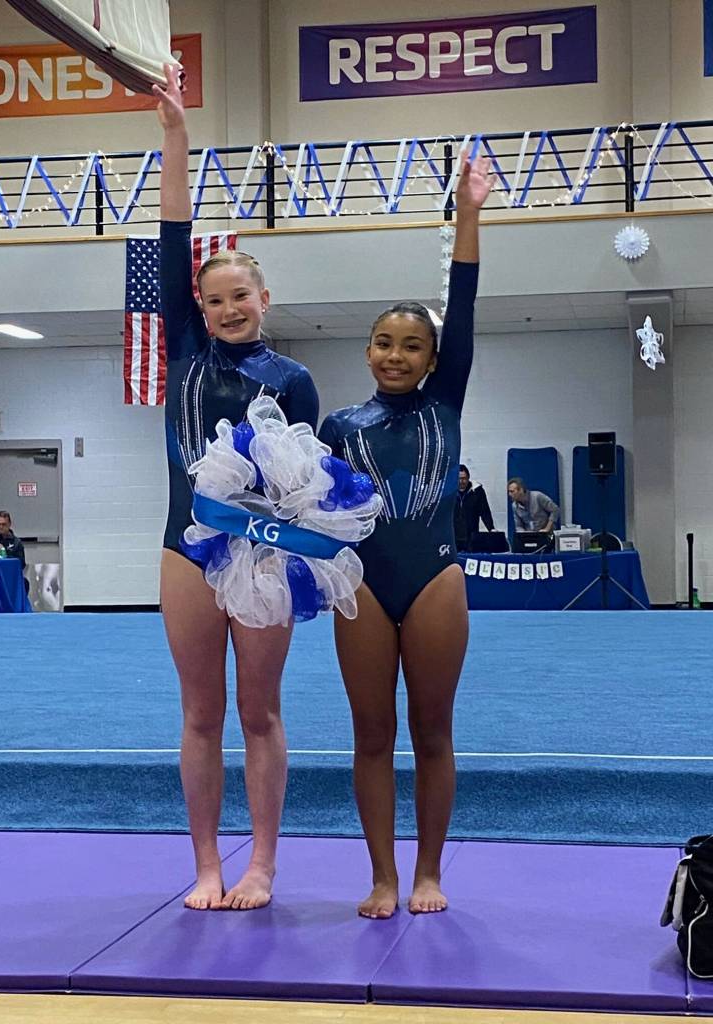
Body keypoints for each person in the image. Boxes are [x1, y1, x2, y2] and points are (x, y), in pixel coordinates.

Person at [153, 65, 319, 912]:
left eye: (239, 297)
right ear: (198, 305)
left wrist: (276, 541)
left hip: (263, 558)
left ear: (264, 298)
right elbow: (173, 223)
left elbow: (307, 490)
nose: (226, 309)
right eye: (213, 298)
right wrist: (176, 133)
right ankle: (207, 866)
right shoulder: (182, 348)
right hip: (186, 552)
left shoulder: (292, 378)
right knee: (200, 716)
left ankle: (261, 866)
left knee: (259, 712)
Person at [319, 155, 493, 918]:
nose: (397, 355)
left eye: (412, 346)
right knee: (370, 734)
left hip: (434, 580)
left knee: (432, 730)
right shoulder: (336, 426)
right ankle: (382, 877)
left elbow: (465, 300)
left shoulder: (445, 401)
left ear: (432, 358)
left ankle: (428, 874)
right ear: (367, 350)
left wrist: (468, 214)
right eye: (384, 342)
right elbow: (317, 515)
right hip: (359, 582)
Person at [453, 464, 495, 551]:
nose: (461, 481)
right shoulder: (450, 493)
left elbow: (485, 512)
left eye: (464, 478)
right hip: (453, 536)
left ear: (468, 478)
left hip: (471, 536)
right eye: (459, 479)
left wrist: (491, 529)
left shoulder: (477, 491)